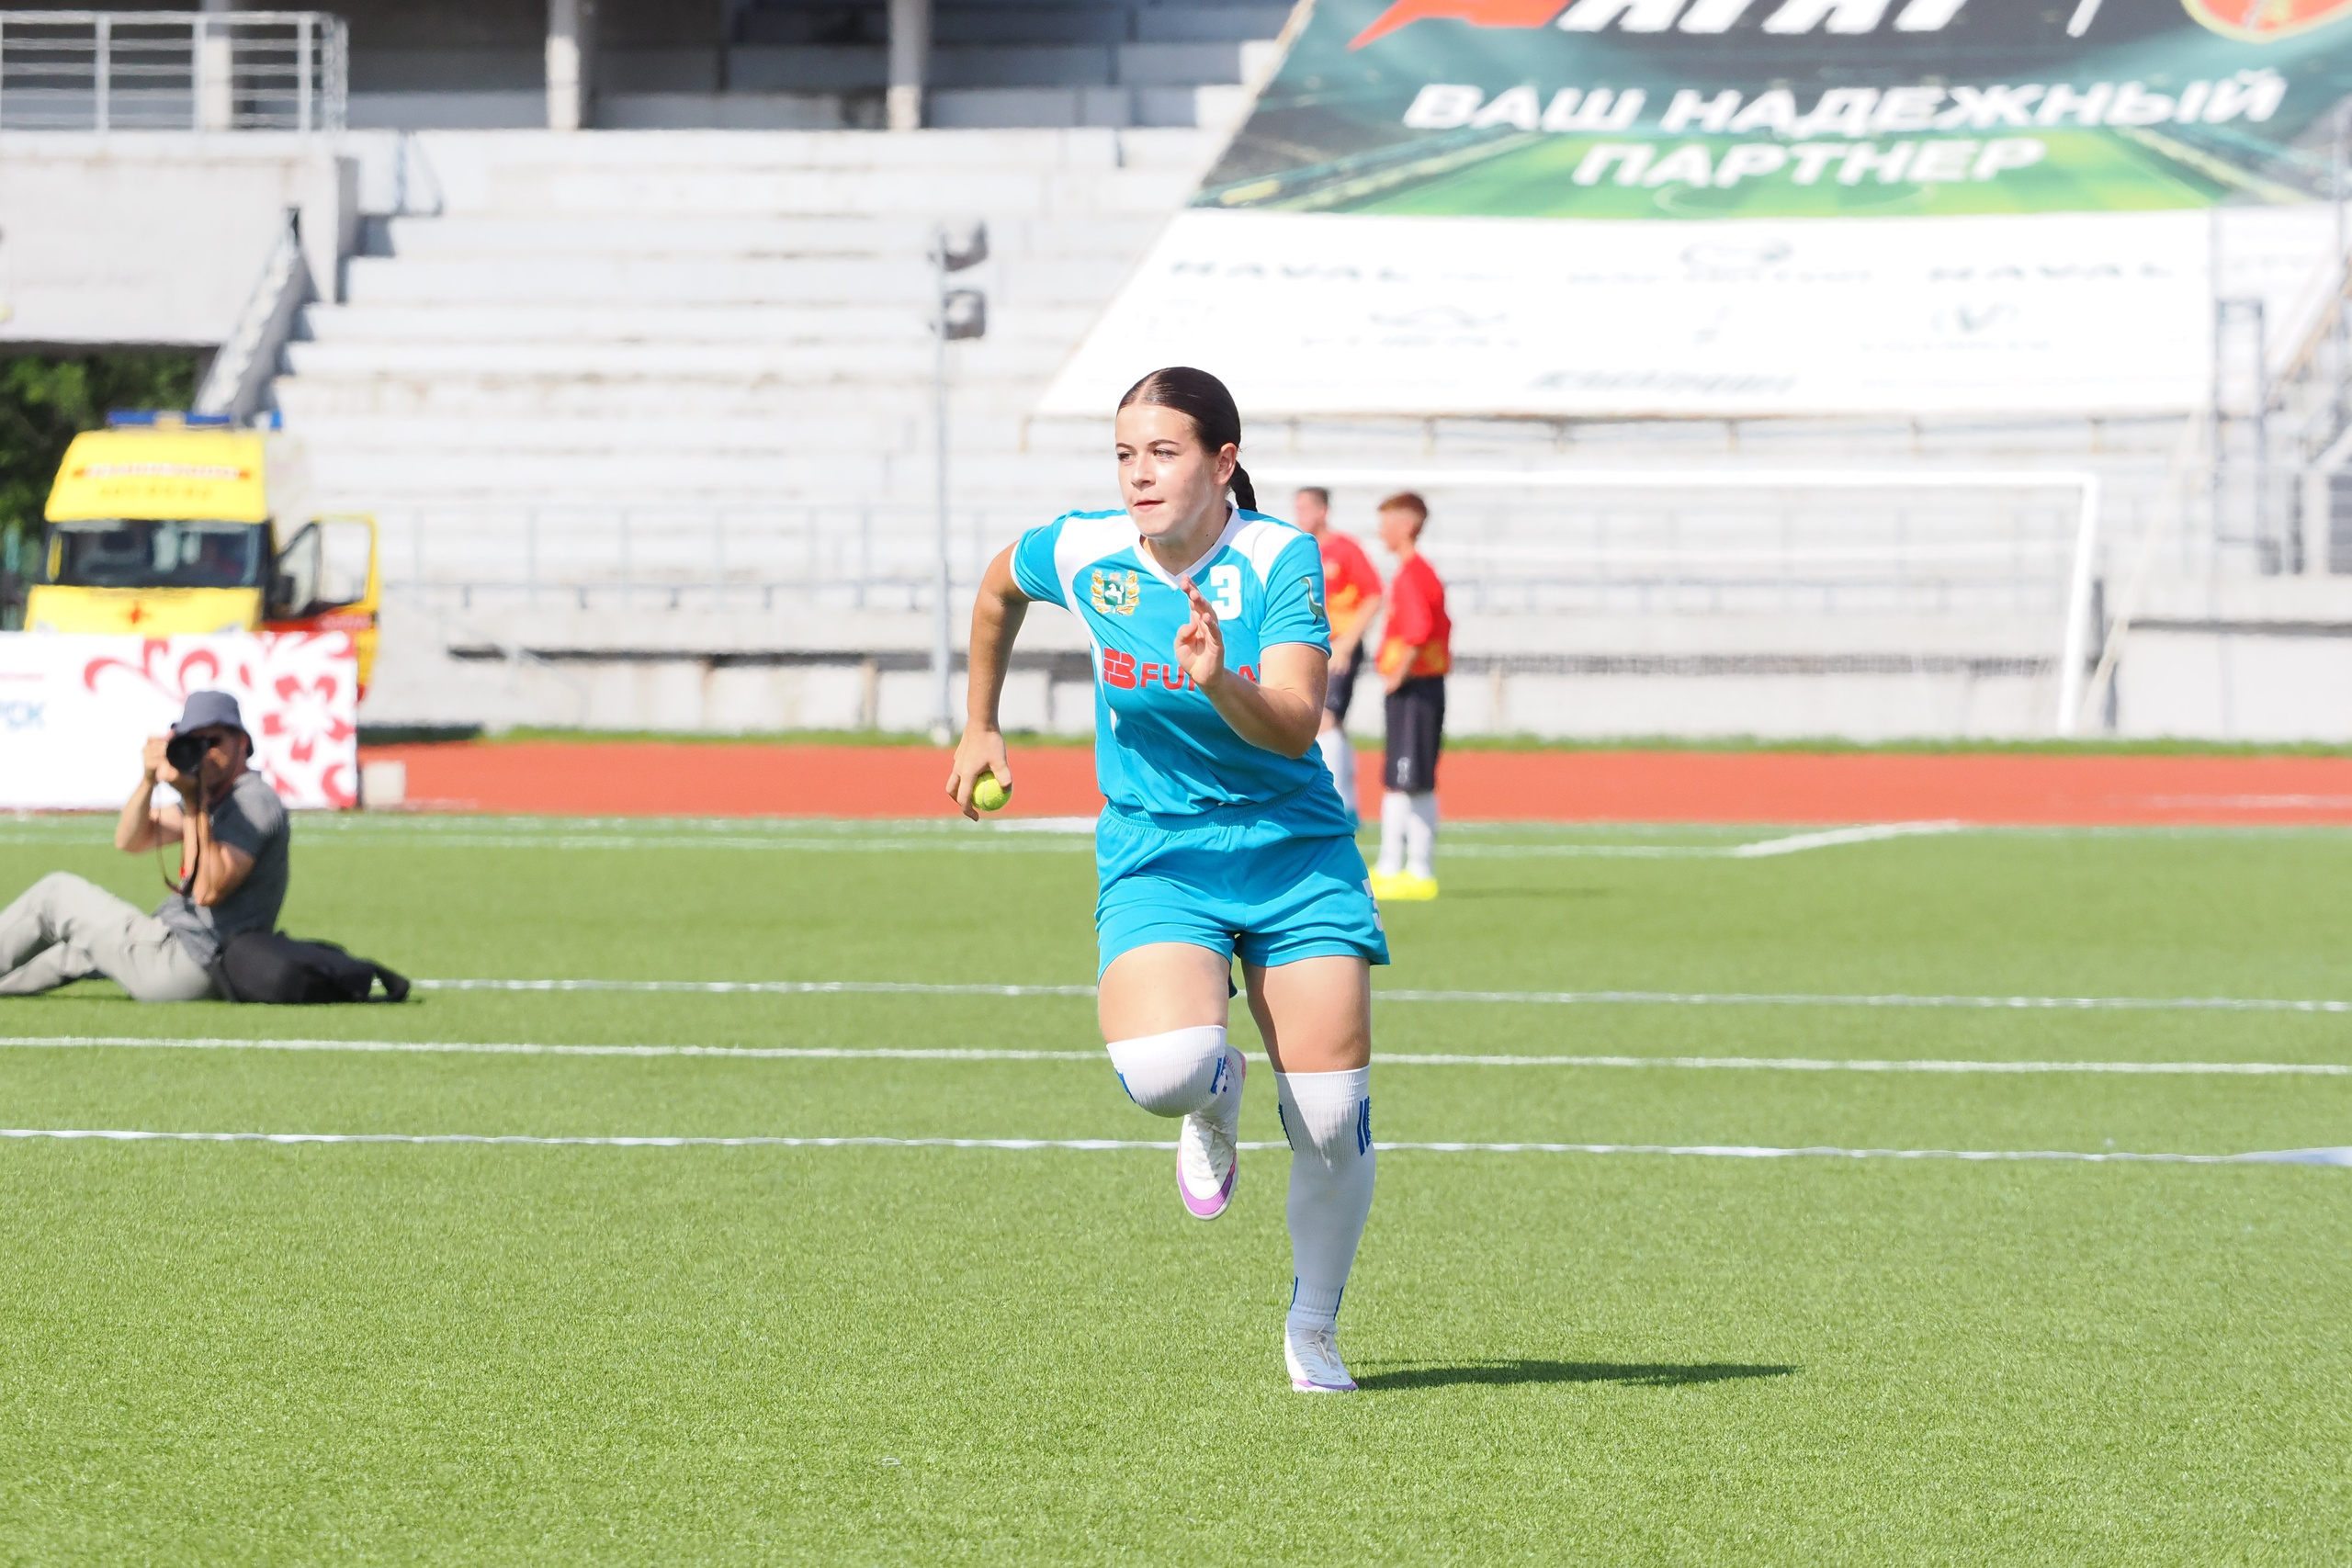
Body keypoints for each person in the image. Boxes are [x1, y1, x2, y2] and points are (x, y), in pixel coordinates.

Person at [946, 367, 1385, 1394]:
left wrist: (1217, 679)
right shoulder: (1085, 548)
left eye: (1164, 452)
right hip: (1157, 850)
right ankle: (1217, 1092)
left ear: (1222, 462)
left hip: (1291, 849)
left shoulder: (1281, 557)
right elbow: (998, 587)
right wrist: (980, 721)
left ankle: (1313, 1329)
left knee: (1328, 1119)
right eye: (1124, 454)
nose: (1139, 475)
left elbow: (1291, 730)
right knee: (1166, 1073)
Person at [0, 691, 289, 1001]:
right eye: (194, 742)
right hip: (187, 961)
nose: (204, 753)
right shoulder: (214, 798)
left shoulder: (252, 801)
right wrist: (149, 779)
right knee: (71, 953)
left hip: (188, 961)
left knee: (54, 895)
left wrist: (194, 801)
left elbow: (206, 892)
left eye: (213, 741)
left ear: (242, 742)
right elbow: (130, 839)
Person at [1370, 492, 1450, 902]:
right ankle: (1403, 865)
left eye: (1385, 522)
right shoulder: (1413, 572)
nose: (1380, 531)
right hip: (1419, 687)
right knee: (1408, 778)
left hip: (1415, 687)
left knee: (1406, 780)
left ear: (1406, 525)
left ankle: (1410, 868)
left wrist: (1396, 675)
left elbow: (1417, 633)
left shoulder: (1414, 574)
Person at [1293, 486, 1384, 826]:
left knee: (1325, 719)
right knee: (1332, 723)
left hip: (1338, 645)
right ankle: (1347, 801)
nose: (1299, 515)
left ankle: (1334, 801)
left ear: (1322, 511)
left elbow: (1373, 595)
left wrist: (1347, 643)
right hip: (1313, 644)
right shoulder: (1299, 549)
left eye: (1305, 508)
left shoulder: (1345, 549)